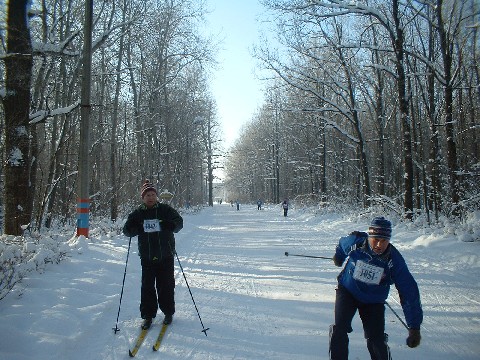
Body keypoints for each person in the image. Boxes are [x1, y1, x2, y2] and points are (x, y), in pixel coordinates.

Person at [329, 216, 422, 360]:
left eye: (384, 240)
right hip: (348, 291)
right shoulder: (356, 242)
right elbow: (342, 244)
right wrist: (339, 257)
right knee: (340, 329)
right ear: (369, 237)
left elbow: (408, 291)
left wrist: (414, 327)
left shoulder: (394, 260)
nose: (379, 244)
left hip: (373, 301)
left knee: (375, 339)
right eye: (375, 239)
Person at [123, 180, 183, 329]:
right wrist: (136, 229)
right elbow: (126, 230)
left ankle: (168, 312)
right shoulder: (138, 213)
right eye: (147, 195)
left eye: (152, 195)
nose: (150, 197)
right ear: (142, 198)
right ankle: (148, 316)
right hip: (147, 256)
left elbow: (179, 222)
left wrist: (170, 225)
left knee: (166, 285)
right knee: (147, 287)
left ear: (156, 196)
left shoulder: (165, 209)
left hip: (166, 255)